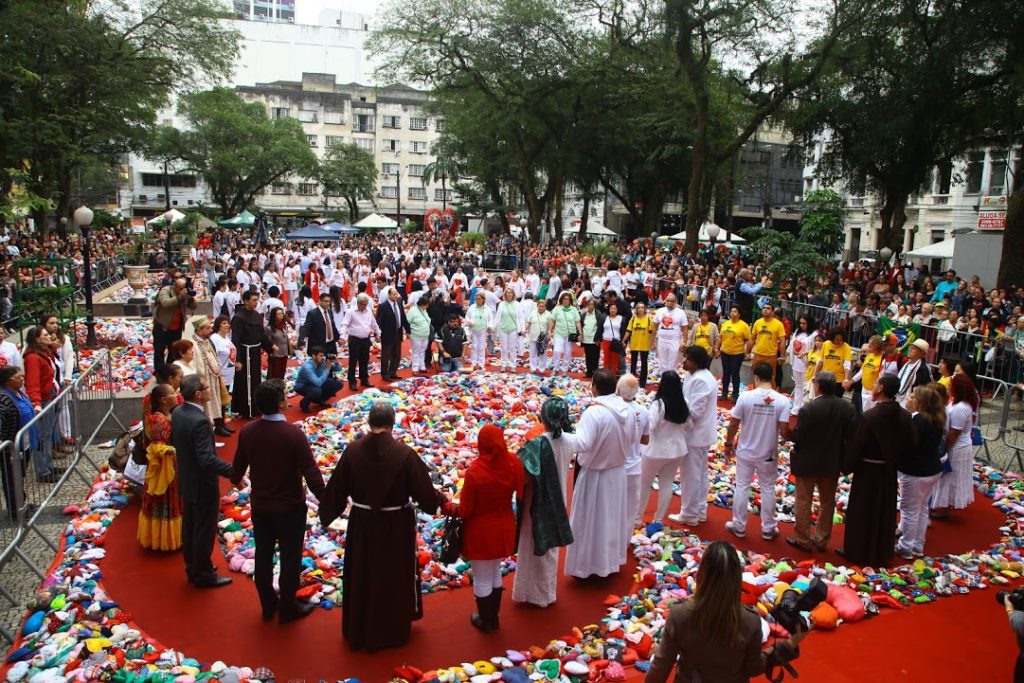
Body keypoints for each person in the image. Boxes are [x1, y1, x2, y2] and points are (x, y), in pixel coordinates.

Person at [318, 401, 447, 651]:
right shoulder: (404, 454)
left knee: (363, 572)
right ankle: (391, 630)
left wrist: (327, 513)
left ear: (369, 422)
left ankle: (360, 628)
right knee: (393, 574)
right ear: (392, 423)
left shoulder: (353, 451)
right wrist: (439, 501)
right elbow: (425, 495)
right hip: (394, 526)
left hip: (363, 524)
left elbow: (335, 491)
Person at [231, 379, 325, 623]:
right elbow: (311, 473)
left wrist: (236, 479)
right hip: (290, 507)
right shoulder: (293, 434)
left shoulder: (249, 432)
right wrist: (327, 500)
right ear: (282, 403)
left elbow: (237, 468)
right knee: (290, 558)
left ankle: (267, 605)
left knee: (263, 555)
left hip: (261, 505)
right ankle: (288, 608)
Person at [644, 540, 805, 683]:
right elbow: (754, 667)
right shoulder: (750, 620)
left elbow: (661, 666)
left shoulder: (680, 614)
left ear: (702, 575)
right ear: (737, 580)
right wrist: (789, 645)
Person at [442, 424, 523, 631]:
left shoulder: (476, 471)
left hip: (481, 531)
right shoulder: (513, 462)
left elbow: (466, 510)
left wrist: (447, 506)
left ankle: (487, 621)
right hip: (504, 526)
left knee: (482, 576)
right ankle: (492, 617)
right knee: (495, 570)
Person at [558, 369, 638, 578]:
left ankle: (588, 567)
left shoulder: (594, 412)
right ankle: (609, 563)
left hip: (596, 475)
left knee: (591, 523)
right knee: (611, 520)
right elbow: (632, 440)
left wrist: (558, 435)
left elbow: (583, 444)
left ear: (594, 387)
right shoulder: (627, 410)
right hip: (617, 472)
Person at [839, 375, 915, 566]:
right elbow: (911, 444)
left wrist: (846, 466)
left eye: (875, 384)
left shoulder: (869, 417)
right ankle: (881, 551)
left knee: (862, 511)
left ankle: (857, 551)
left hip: (867, 470)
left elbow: (857, 445)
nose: (872, 386)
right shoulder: (905, 416)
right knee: (884, 511)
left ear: (880, 388)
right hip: (888, 471)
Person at [512, 397, 575, 608]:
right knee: (550, 550)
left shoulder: (537, 444)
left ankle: (530, 593)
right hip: (559, 499)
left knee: (532, 544)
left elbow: (523, 476)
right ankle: (547, 593)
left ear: (544, 417)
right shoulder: (568, 441)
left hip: (537, 501)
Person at [172, 374, 234, 588]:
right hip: (202, 483)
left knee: (190, 527)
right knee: (204, 531)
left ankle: (194, 567)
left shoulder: (179, 412)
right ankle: (203, 574)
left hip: (188, 479)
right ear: (198, 394)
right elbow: (206, 459)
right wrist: (233, 471)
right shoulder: (199, 420)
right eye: (206, 387)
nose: (210, 389)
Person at [787, 371, 857, 552]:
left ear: (817, 386)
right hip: (831, 462)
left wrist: (786, 433)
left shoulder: (809, 408)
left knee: (803, 501)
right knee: (827, 503)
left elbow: (798, 437)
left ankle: (803, 539)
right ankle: (821, 539)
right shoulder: (846, 407)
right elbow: (852, 436)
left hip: (807, 462)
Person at [723, 362, 791, 541]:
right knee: (768, 488)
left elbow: (733, 423)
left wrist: (728, 443)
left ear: (756, 377)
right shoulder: (783, 401)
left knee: (742, 486)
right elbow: (784, 430)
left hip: (746, 451)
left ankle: (739, 526)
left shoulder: (745, 397)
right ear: (773, 378)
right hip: (768, 452)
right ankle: (768, 528)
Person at [895, 385, 945, 560]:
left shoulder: (916, 422)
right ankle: (917, 545)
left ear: (920, 402)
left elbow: (908, 446)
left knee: (909, 509)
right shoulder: (935, 420)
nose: (909, 399)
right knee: (922, 508)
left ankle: (906, 546)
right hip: (931, 469)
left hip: (916, 471)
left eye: (912, 397)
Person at [671, 346, 718, 526]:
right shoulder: (695, 376)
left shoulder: (702, 380)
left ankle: (690, 513)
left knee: (691, 475)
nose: (684, 361)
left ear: (696, 362)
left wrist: (672, 410)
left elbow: (695, 411)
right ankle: (699, 510)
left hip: (695, 435)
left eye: (688, 359)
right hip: (697, 434)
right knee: (699, 473)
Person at [637, 371, 688, 525]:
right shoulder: (684, 402)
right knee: (666, 484)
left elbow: (650, 426)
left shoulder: (659, 404)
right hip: (678, 450)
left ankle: (637, 518)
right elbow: (688, 425)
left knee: (644, 484)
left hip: (656, 451)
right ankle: (658, 519)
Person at [137, 383, 183, 551]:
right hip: (165, 468)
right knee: (165, 498)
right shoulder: (158, 419)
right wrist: (170, 451)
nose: (176, 394)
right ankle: (165, 539)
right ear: (164, 400)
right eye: (172, 393)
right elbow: (157, 446)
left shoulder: (167, 415)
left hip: (172, 465)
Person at [931, 372, 979, 518]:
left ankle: (943, 509)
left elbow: (954, 433)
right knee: (947, 478)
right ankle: (940, 505)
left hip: (957, 447)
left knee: (949, 478)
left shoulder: (961, 408)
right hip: (957, 445)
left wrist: (945, 449)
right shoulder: (958, 403)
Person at [22, 326, 61, 483]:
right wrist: (36, 402)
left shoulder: (45, 353)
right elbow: (32, 383)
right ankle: (43, 470)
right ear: (37, 339)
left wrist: (53, 347)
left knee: (48, 433)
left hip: (50, 395)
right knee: (42, 435)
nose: (50, 335)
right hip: (43, 399)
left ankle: (48, 465)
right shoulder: (33, 358)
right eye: (46, 334)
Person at [231, 290, 273, 419]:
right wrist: (237, 360)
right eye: (254, 300)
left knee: (255, 380)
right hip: (245, 353)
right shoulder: (238, 317)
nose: (256, 303)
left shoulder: (255, 315)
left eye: (257, 300)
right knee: (245, 381)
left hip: (255, 352)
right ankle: (246, 409)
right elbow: (236, 340)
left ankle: (255, 408)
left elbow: (261, 334)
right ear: (246, 301)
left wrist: (270, 346)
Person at [617, 374, 651, 533]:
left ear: (618, 390)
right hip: (635, 464)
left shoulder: (615, 409)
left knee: (613, 505)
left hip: (616, 466)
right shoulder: (643, 410)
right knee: (630, 507)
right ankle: (625, 539)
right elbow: (645, 440)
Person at [0, 367, 33, 519]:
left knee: (18, 474)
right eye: (19, 377)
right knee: (11, 477)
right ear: (8, 381)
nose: (22, 379)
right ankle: (15, 509)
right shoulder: (3, 398)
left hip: (23, 442)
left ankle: (21, 501)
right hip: (10, 446)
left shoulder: (19, 393)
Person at [190, 317, 230, 436]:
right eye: (207, 328)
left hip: (213, 377)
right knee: (207, 405)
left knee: (217, 403)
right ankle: (211, 429)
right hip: (205, 379)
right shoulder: (193, 344)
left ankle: (219, 425)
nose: (210, 330)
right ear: (199, 330)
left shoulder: (206, 341)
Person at [152, 277, 197, 371]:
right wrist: (178, 297)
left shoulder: (185, 294)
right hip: (162, 327)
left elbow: (194, 307)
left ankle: (169, 373)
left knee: (173, 352)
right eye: (180, 288)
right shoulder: (165, 290)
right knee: (159, 352)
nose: (182, 291)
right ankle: (160, 374)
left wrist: (190, 298)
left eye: (183, 288)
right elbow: (165, 303)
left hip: (177, 328)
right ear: (174, 287)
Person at [340, 293, 381, 391]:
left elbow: (374, 324)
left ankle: (364, 379)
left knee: (364, 360)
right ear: (358, 303)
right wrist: (342, 336)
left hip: (366, 339)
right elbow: (344, 324)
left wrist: (378, 333)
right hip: (354, 339)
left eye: (366, 304)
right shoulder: (351, 311)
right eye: (362, 304)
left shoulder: (368, 311)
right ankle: (352, 381)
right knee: (353, 361)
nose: (364, 307)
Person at [294, 346, 344, 413]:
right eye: (320, 356)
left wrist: (336, 362)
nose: (322, 358)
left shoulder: (323, 361)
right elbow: (318, 383)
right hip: (303, 386)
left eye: (323, 355)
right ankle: (304, 404)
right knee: (317, 390)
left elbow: (338, 369)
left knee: (339, 384)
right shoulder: (307, 367)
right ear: (314, 356)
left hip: (317, 382)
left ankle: (321, 400)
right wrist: (327, 369)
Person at [376, 286, 410, 382]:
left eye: (397, 294)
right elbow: (378, 320)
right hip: (387, 334)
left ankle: (392, 372)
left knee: (397, 355)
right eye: (394, 294)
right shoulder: (383, 306)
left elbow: (403, 318)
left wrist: (408, 330)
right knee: (386, 355)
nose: (396, 296)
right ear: (389, 295)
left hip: (398, 332)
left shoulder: (399, 303)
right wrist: (377, 333)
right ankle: (385, 374)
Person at [749, 304, 786, 389]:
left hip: (771, 356)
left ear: (773, 311)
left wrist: (782, 356)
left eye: (768, 308)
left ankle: (771, 399)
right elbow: (752, 339)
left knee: (771, 378)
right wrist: (747, 352)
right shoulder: (757, 322)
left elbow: (782, 341)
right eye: (764, 308)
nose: (765, 310)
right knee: (756, 377)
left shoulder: (778, 324)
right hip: (758, 354)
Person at [719, 306, 751, 402]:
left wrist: (747, 352)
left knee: (735, 373)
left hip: (737, 354)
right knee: (726, 373)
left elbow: (749, 340)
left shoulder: (744, 325)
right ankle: (724, 393)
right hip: (725, 352)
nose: (732, 313)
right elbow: (721, 337)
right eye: (732, 311)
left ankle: (735, 395)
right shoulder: (725, 324)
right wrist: (716, 348)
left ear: (739, 314)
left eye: (735, 311)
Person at [787, 316, 817, 416]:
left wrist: (805, 355)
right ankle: (796, 408)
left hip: (807, 363)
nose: (802, 325)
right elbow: (792, 344)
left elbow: (814, 348)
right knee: (798, 385)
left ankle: (805, 409)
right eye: (800, 323)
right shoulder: (797, 332)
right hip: (796, 362)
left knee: (806, 387)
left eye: (804, 323)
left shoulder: (814, 334)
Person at [847, 335, 884, 412]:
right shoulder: (869, 356)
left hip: (873, 391)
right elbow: (862, 372)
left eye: (871, 344)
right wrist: (850, 382)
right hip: (864, 389)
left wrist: (876, 391)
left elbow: (881, 376)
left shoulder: (882, 359)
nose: (869, 345)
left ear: (876, 346)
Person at [299, 291, 342, 357]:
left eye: (329, 301)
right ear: (320, 301)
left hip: (331, 345)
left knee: (330, 365)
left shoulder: (330, 312)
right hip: (318, 345)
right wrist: (301, 340)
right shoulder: (313, 313)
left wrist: (338, 338)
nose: (328, 303)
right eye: (325, 301)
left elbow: (332, 326)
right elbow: (305, 328)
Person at [549, 291, 582, 374]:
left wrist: (580, 333)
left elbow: (577, 322)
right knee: (557, 350)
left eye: (567, 299)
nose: (566, 300)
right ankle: (555, 369)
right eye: (564, 299)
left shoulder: (574, 310)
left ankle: (564, 369)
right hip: (558, 333)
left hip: (570, 335)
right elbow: (552, 320)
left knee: (568, 352)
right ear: (561, 300)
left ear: (570, 300)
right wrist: (549, 331)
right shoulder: (557, 309)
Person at [655, 294, 689, 373]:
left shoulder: (681, 313)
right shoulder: (660, 311)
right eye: (668, 301)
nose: (669, 303)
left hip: (674, 341)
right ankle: (664, 380)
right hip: (661, 340)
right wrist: (653, 340)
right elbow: (655, 327)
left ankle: (671, 381)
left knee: (672, 363)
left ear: (676, 302)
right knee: (662, 362)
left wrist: (684, 342)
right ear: (665, 301)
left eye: (672, 301)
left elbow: (685, 329)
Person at [896, 338, 934, 407]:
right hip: (898, 400)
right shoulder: (907, 364)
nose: (910, 349)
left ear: (922, 354)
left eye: (913, 348)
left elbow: (924, 391)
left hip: (911, 406)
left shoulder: (923, 369)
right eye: (910, 347)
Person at [624, 301, 654, 387]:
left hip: (644, 345)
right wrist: (623, 341)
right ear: (636, 309)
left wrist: (652, 343)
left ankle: (642, 384)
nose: (641, 309)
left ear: (645, 309)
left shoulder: (649, 319)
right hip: (634, 344)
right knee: (633, 364)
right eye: (639, 307)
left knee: (644, 365)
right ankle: (632, 382)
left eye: (642, 307)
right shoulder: (633, 319)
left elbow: (651, 332)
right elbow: (628, 331)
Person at [495, 289, 522, 372]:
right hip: (503, 329)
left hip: (513, 329)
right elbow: (497, 317)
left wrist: (522, 328)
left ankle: (513, 366)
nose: (509, 294)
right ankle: (503, 365)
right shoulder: (502, 304)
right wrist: (493, 327)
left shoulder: (517, 304)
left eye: (510, 292)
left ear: (513, 294)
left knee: (513, 348)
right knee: (503, 348)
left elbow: (521, 317)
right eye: (507, 293)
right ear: (505, 294)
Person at [465, 291, 493, 370]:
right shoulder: (472, 307)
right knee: (474, 347)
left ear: (483, 299)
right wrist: (469, 321)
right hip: (474, 330)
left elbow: (491, 319)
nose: (477, 300)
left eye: (479, 299)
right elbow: (467, 316)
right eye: (476, 299)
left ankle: (481, 363)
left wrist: (489, 326)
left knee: (481, 347)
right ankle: (473, 363)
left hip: (483, 330)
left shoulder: (487, 308)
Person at [408, 294, 434, 375]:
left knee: (422, 351)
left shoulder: (424, 310)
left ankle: (421, 365)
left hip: (425, 335)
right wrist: (408, 332)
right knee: (416, 351)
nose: (428, 306)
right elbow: (407, 322)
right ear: (422, 304)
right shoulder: (413, 310)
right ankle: (415, 367)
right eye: (427, 304)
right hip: (416, 335)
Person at [525, 299, 552, 374]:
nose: (541, 307)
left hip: (543, 337)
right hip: (533, 336)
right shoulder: (532, 313)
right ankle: (533, 368)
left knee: (542, 353)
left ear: (545, 307)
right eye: (540, 306)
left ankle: (541, 369)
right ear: (537, 306)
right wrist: (525, 329)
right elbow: (528, 322)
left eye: (543, 306)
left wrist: (549, 332)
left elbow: (550, 324)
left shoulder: (548, 314)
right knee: (533, 353)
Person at [580, 298, 604, 378]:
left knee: (595, 356)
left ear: (594, 305)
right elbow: (581, 325)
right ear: (586, 305)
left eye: (592, 304)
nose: (590, 306)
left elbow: (601, 327)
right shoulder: (584, 315)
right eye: (589, 304)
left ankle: (595, 372)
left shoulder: (598, 314)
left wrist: (599, 339)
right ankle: (589, 371)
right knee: (588, 356)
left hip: (594, 339)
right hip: (586, 338)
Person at [601, 301, 628, 375]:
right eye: (611, 308)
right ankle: (605, 376)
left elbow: (623, 331)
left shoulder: (621, 318)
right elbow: (600, 329)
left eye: (614, 308)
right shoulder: (604, 317)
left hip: (616, 342)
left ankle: (612, 376)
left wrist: (624, 342)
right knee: (606, 359)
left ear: (617, 310)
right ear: (609, 309)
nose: (613, 310)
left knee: (614, 360)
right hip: (606, 340)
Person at [264, 308, 290, 381]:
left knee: (282, 373)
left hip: (284, 353)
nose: (281, 315)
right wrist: (271, 350)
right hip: (275, 355)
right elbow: (265, 341)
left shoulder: (284, 326)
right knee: (274, 374)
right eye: (278, 314)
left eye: (282, 313)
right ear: (274, 316)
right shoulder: (269, 328)